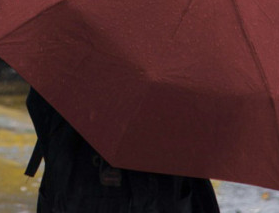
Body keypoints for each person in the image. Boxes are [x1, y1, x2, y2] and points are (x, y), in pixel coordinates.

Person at [25, 88, 220, 213]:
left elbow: (39, 106)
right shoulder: (181, 66)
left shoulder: (70, 55)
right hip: (159, 183)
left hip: (77, 181)